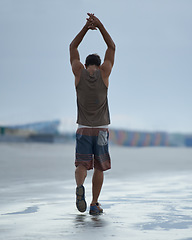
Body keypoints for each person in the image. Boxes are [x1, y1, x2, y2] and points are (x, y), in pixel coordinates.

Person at [69, 13, 115, 215]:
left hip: (83, 129)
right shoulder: (104, 73)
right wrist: (100, 25)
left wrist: (86, 29)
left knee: (81, 164)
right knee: (99, 167)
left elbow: (72, 48)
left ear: (85, 65)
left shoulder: (78, 73)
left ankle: (80, 187)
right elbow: (111, 47)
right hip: (101, 130)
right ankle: (95, 204)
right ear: (98, 65)